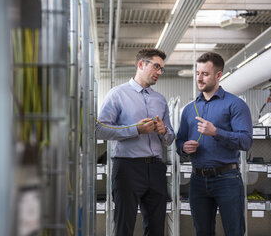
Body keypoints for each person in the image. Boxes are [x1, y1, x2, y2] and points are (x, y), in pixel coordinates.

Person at [95, 48, 175, 236]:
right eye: (156, 67)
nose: (159, 73)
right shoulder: (117, 94)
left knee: (156, 227)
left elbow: (170, 138)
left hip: (156, 168)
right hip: (127, 168)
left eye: (162, 69)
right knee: (124, 225)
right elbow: (100, 130)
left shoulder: (160, 100)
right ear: (141, 65)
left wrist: (164, 131)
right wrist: (135, 129)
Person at [176, 52, 253, 236]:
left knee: (234, 231)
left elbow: (246, 141)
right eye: (197, 73)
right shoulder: (189, 109)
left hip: (227, 179)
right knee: (202, 231)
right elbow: (180, 140)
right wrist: (184, 148)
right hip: (197, 180)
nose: (199, 79)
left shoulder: (235, 105)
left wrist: (216, 132)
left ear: (218, 75)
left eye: (205, 74)